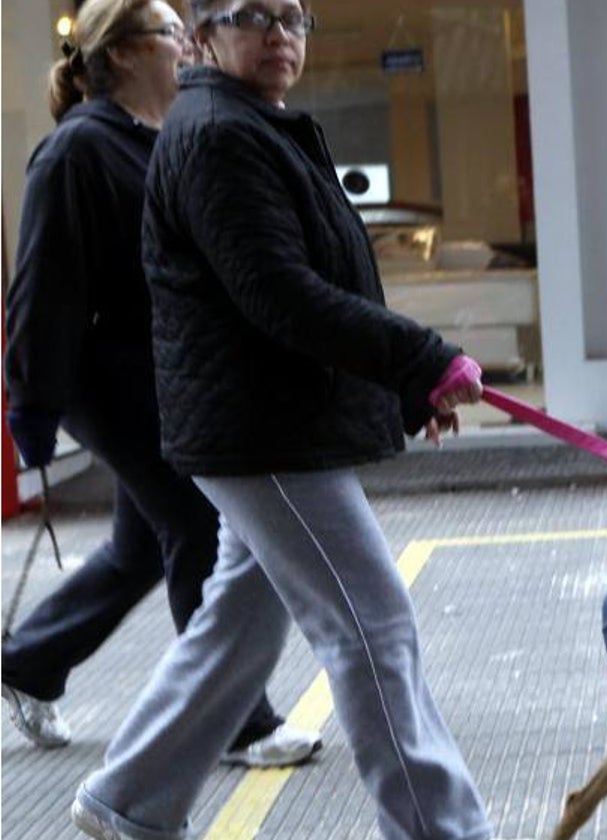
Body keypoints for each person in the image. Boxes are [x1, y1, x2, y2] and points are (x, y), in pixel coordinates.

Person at [72, 1, 497, 838]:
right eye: (252, 15)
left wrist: (405, 390)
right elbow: (282, 297)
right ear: (202, 37)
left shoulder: (245, 125)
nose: (280, 33)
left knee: (239, 626)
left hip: (263, 424)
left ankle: (127, 802)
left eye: (294, 16)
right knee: (374, 628)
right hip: (263, 435)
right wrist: (418, 359)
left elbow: (308, 290)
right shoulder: (219, 136)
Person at [2, 0, 320, 768]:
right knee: (198, 526)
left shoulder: (172, 136)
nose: (186, 42)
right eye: (168, 32)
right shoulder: (76, 152)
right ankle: (239, 721)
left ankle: (28, 661)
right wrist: (32, 403)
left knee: (141, 546)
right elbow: (41, 286)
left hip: (168, 371)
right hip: (107, 379)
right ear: (119, 54)